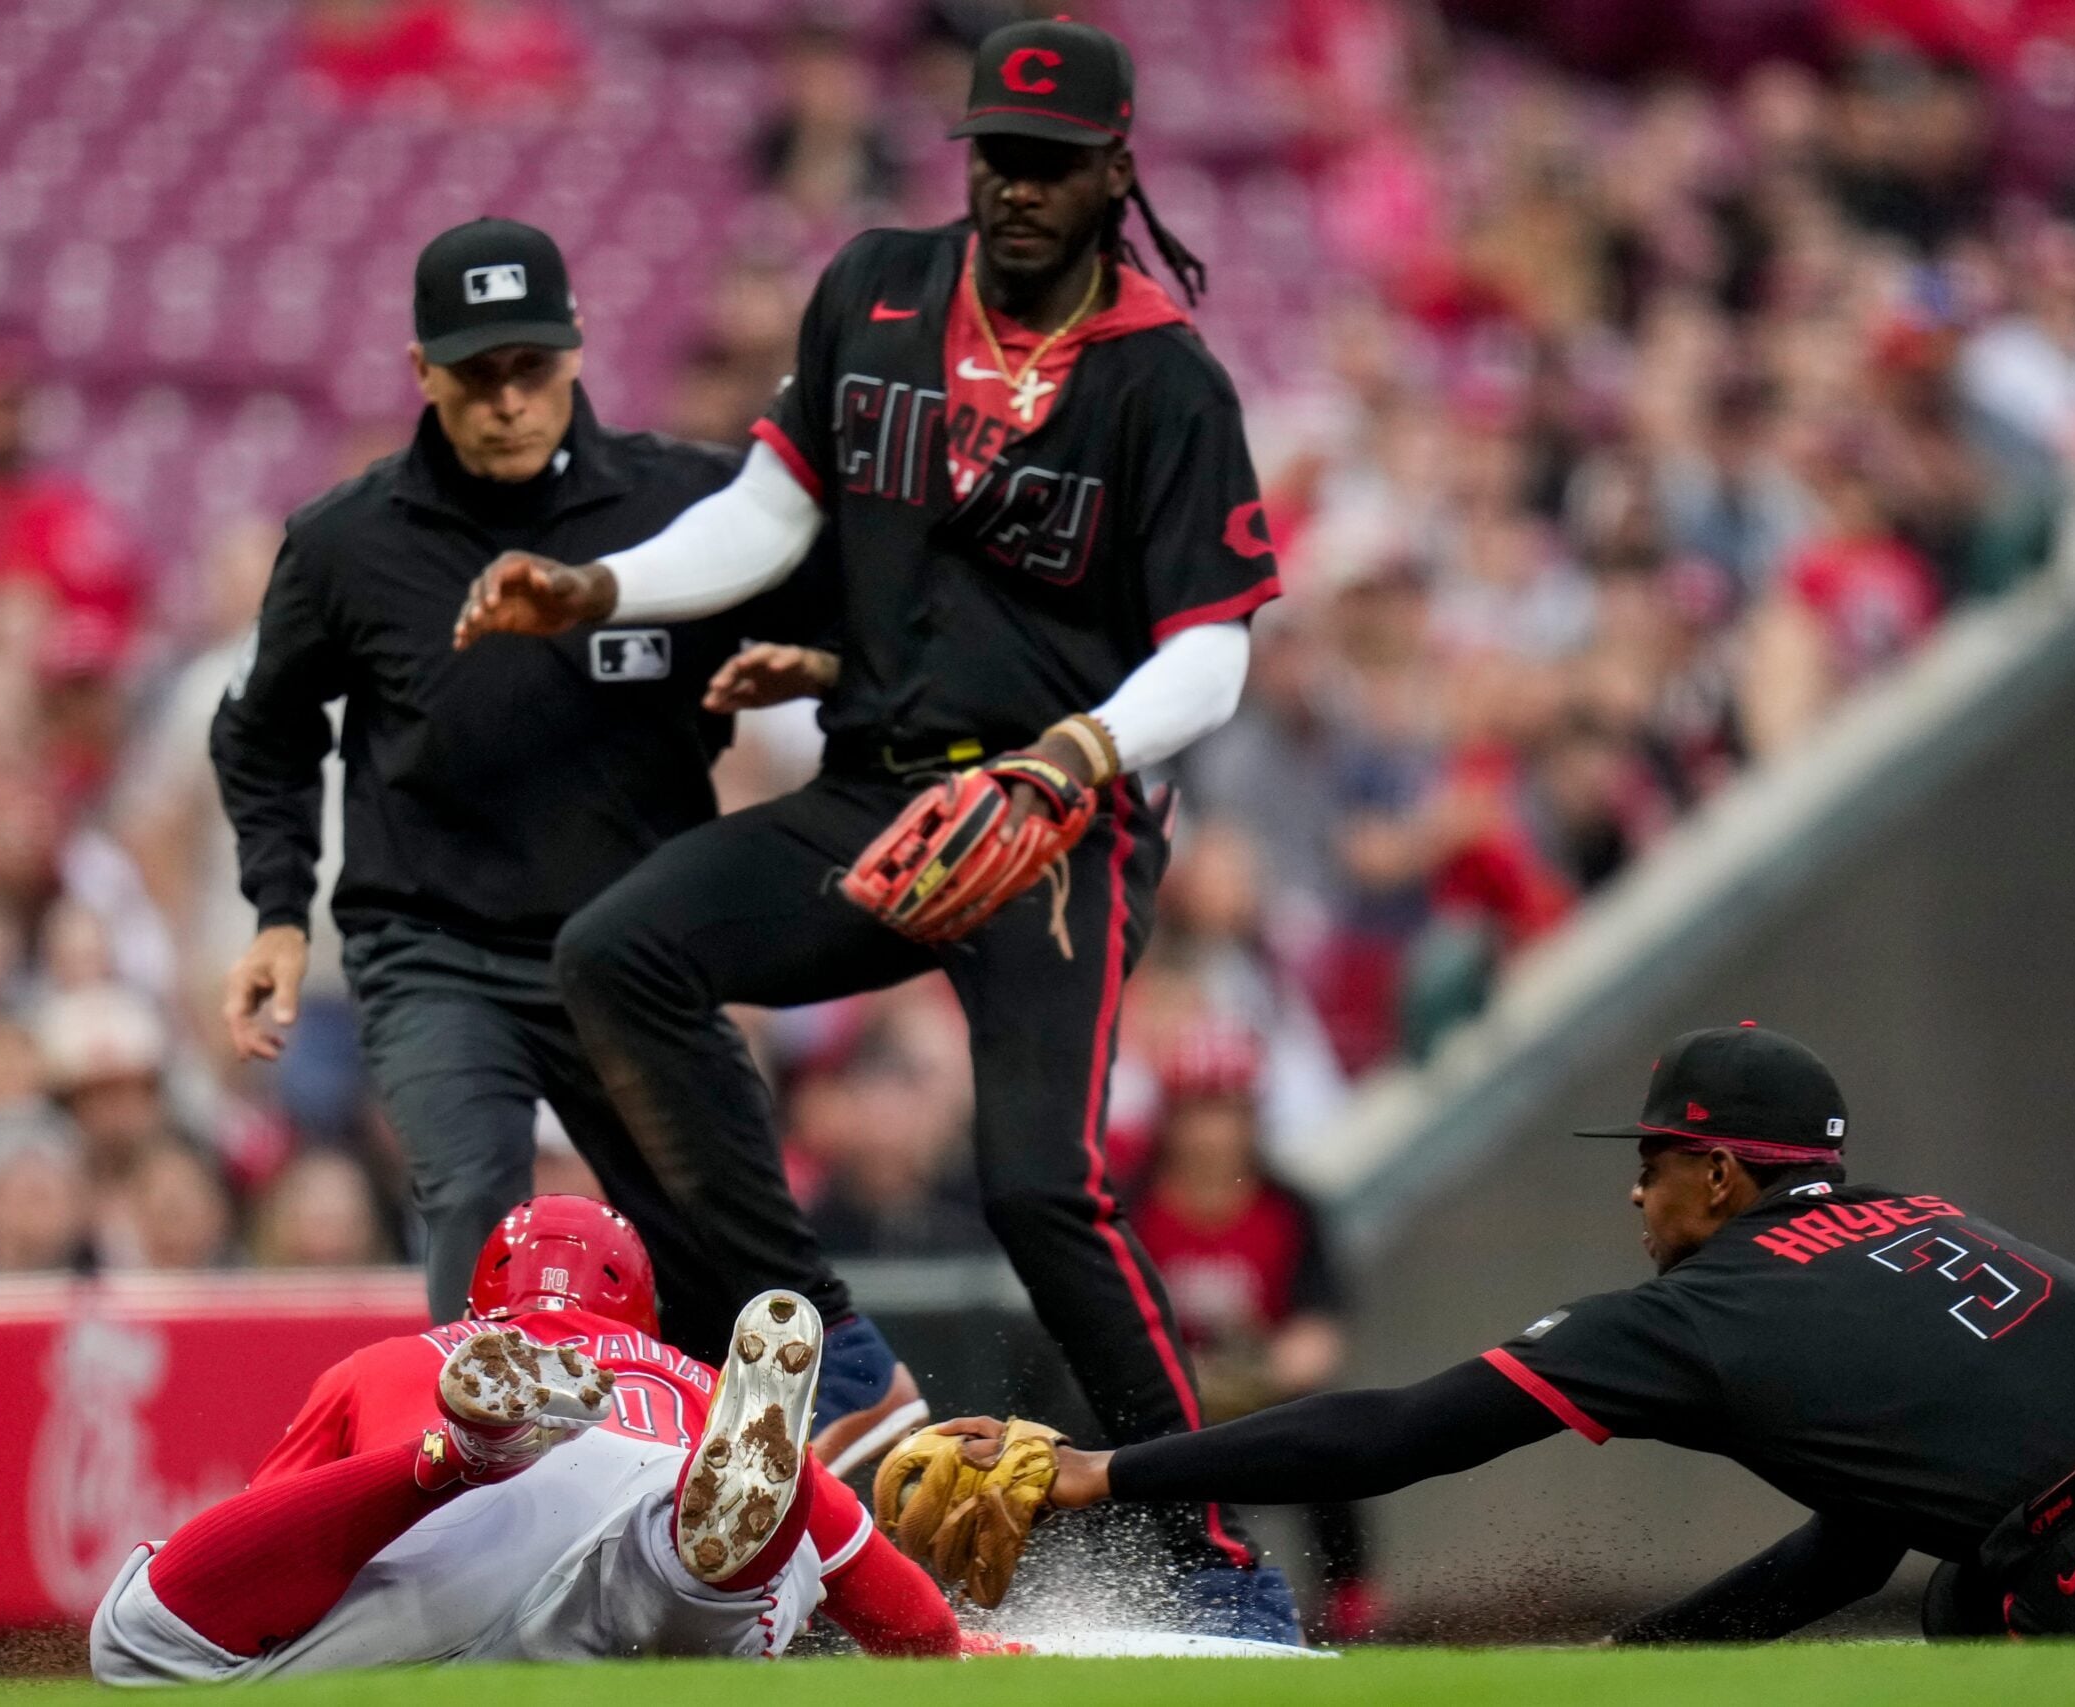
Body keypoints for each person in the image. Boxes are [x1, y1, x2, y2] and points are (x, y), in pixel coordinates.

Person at [453, 19, 1295, 1635]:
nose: (1016, 187)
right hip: (880, 783)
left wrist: (1065, 762)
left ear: (1118, 169)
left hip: (1053, 829)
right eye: (996, 154)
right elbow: (771, 514)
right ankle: (819, 1333)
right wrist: (600, 586)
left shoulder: (1162, 375)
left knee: (1041, 1189)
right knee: (615, 955)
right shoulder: (880, 290)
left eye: (1049, 162)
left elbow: (1213, 645)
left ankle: (1210, 1549)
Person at [952, 1024, 2075, 1640]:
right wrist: (1657, 1651)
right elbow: (1857, 1534)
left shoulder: (1703, 1305)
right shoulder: (1914, 1215)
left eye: (1653, 1157)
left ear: (1720, 1173)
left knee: (1979, 1611)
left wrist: (1101, 1473)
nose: (1636, 1183)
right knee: (1972, 1594)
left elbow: (1401, 1428)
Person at [210, 218, 824, 1359]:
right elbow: (263, 731)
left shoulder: (689, 510)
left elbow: (867, 635)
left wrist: (822, 667)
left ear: (577, 349)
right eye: (477, 373)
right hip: (436, 947)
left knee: (721, 1259)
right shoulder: (346, 544)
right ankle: (492, 1501)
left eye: (529, 368)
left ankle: (722, 1509)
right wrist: (280, 910)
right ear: (421, 372)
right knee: (476, 1217)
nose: (506, 400)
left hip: (633, 957)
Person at [89, 1195, 965, 1680]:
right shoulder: (694, 1379)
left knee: (142, 1643)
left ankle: (452, 1457)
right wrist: (949, 1648)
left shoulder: (396, 1357)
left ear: (482, 1302)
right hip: (646, 1500)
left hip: (443, 1544)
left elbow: (268, 1543)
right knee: (690, 1572)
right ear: (640, 1308)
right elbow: (891, 1597)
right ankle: (691, 1564)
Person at [1128, 1025, 1380, 1641]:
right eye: (1197, 1114)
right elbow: (1114, 1335)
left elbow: (1316, 1341)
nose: (1212, 1135)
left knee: (1336, 1430)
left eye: (1227, 1113)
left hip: (1261, 1394)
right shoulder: (1130, 1211)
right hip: (1166, 1399)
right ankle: (1113, 1593)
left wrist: (1256, 1373)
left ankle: (1351, 1599)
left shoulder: (1290, 1209)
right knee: (1088, 1431)